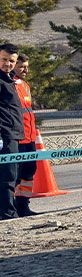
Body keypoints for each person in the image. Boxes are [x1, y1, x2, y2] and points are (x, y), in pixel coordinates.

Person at [11, 54, 40, 215]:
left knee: (29, 171)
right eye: (22, 66)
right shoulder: (9, 84)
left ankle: (23, 206)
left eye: (27, 66)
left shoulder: (25, 85)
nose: (26, 70)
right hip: (17, 138)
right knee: (15, 174)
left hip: (29, 138)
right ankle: (11, 206)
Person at [0, 45, 24, 220]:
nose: (7, 64)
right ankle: (7, 213)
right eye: (4, 59)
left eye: (11, 61)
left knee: (12, 175)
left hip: (13, 134)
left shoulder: (9, 79)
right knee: (7, 176)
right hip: (4, 135)